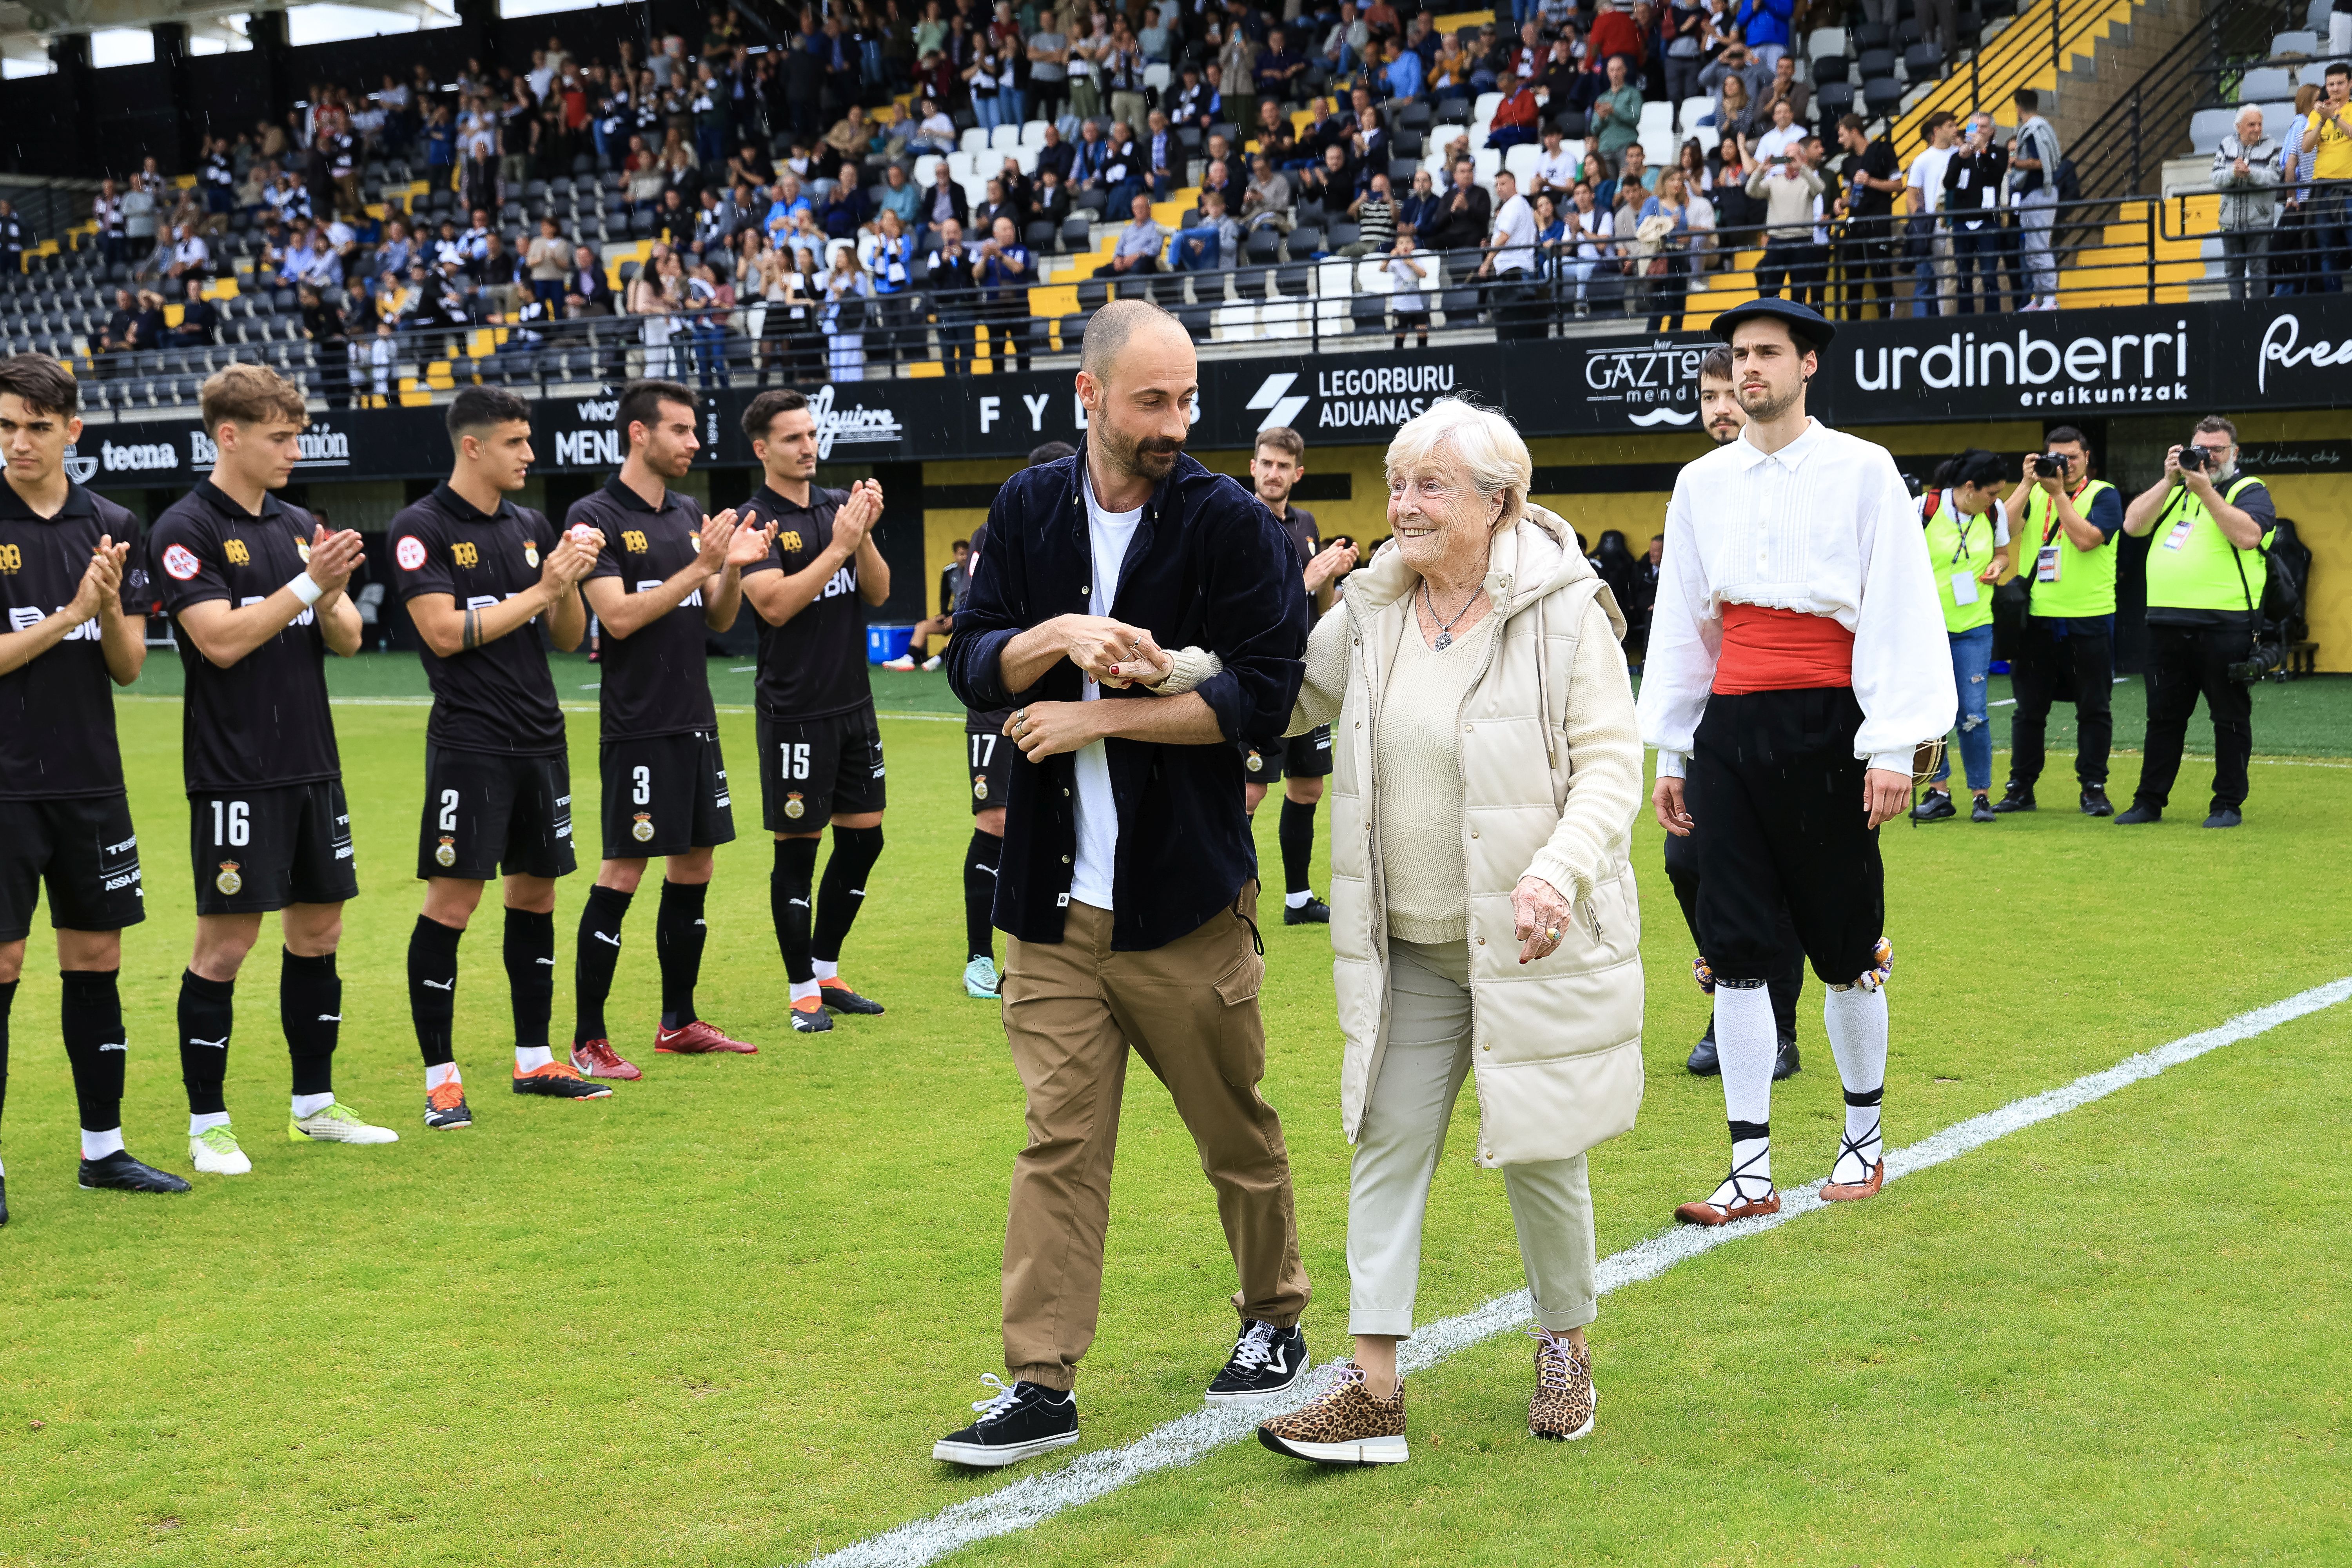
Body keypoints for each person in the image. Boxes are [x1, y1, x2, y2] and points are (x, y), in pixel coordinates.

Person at [936, 300, 1312, 1466]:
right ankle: (1040, 1381)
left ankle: (1273, 1316)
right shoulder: (1024, 506)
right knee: (1058, 1140)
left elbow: (1258, 695)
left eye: (1187, 398)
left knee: (1231, 1127)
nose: (1175, 421)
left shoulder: (1228, 523)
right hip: (1046, 914)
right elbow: (969, 661)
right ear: (1088, 397)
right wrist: (1057, 633)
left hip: (1182, 901)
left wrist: (1102, 710)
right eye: (1152, 399)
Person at [1249, 398, 1644, 1465]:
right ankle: (1373, 1388)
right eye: (1397, 481)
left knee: (1543, 1151)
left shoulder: (1565, 608)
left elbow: (1614, 766)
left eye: (1429, 485)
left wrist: (1557, 872)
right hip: (1410, 946)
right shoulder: (1374, 609)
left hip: (1530, 942)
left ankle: (1564, 1344)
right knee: (1386, 1140)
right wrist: (1176, 671)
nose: (1402, 505)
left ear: (1496, 502)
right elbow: (1282, 703)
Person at [1639, 298, 1953, 1227]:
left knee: (1848, 948)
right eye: (1737, 357)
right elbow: (1686, 621)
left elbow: (1898, 603)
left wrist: (1892, 743)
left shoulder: (1863, 470)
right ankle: (1749, 1167)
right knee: (1733, 951)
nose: (1749, 372)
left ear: (1807, 363)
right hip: (1730, 728)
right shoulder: (1701, 482)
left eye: (1766, 354)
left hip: (1828, 724)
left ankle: (1864, 1140)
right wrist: (1674, 744)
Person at [145, 364, 395, 1174]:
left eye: (297, 433)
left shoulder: (295, 521)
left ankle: (314, 1107)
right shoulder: (183, 527)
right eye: (280, 436)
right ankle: (207, 1123)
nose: (296, 448)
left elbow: (350, 637)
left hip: (311, 763)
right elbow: (218, 639)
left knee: (319, 931)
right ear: (230, 435)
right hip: (234, 770)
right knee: (226, 942)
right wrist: (307, 582)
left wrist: (330, 590)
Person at [390, 386, 609, 1130]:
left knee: (537, 896)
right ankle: (442, 1079)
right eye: (516, 442)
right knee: (454, 903)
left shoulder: (529, 523)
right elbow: (444, 632)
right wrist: (543, 584)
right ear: (473, 447)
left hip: (540, 736)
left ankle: (533, 1057)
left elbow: (567, 635)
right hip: (470, 742)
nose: (529, 454)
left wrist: (567, 584)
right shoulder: (419, 527)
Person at [0, 354, 186, 1214]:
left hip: (89, 783)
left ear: (74, 429)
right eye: (6, 426)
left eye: (38, 426)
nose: (19, 442)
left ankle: (103, 1150)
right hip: (5, 790)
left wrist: (106, 607)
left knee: (97, 960)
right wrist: (70, 613)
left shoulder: (112, 522)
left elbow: (127, 668)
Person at [565, 381, 771, 1080]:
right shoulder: (592, 516)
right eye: (680, 430)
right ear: (638, 434)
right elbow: (617, 618)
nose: (693, 443)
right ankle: (587, 1038)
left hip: (695, 720)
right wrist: (704, 564)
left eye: (693, 431)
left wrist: (732, 571)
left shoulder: (688, 511)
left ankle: (677, 1021)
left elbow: (716, 618)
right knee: (624, 869)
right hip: (639, 727)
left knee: (698, 864)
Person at [1662, 347, 1803, 1079]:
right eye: (1708, 395)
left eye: (1729, 391)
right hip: (1711, 716)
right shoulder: (1698, 489)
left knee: (1777, 874)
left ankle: (1774, 1026)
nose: (1720, 406)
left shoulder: (1809, 476)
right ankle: (1733, 993)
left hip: (1791, 709)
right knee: (1687, 860)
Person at [735, 390, 893, 1036]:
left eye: (811, 433)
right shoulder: (755, 521)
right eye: (793, 437)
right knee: (798, 852)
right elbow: (773, 605)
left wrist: (862, 538)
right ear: (762, 448)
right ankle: (801, 989)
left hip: (854, 704)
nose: (808, 446)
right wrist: (836, 547)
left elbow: (879, 592)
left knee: (866, 839)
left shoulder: (836, 507)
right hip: (795, 713)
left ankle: (826, 968)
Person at [956, 443, 1078, 1002]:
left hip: (1057, 702)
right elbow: (978, 623)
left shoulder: (1083, 528)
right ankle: (979, 955)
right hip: (994, 704)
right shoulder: (998, 531)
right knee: (997, 821)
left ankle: (1049, 940)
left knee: (1059, 816)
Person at [2116, 417, 2276, 829]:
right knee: (2163, 719)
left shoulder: (2249, 490)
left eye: (2217, 450)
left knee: (2230, 718)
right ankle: (2148, 801)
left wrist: (2206, 491)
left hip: (2226, 626)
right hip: (2166, 625)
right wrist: (2169, 479)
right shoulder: (2175, 491)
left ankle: (2227, 804)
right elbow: (2133, 525)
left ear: (2234, 453)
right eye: (2200, 448)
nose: (2207, 457)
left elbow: (2248, 536)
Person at [1239, 426, 1356, 924]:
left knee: (1307, 788)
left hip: (1307, 677)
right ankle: (1231, 897)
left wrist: (1339, 591)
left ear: (1297, 473)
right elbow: (1244, 608)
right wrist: (1308, 579)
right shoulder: (1238, 520)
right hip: (1259, 675)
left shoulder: (1305, 522)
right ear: (1253, 467)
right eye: (1266, 463)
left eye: (1283, 466)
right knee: (1249, 792)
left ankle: (1297, 899)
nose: (1273, 473)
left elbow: (1313, 608)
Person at [1989, 426, 2122, 818]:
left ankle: (2093, 788)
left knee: (2094, 709)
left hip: (2090, 618)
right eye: (2057, 457)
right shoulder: (2036, 494)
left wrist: (2060, 494)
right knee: (2029, 711)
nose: (2065, 464)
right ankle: (2021, 788)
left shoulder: (2104, 494)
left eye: (2072, 457)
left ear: (2086, 458)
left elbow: (2087, 539)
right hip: (2038, 622)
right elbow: (2004, 528)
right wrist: (2028, 483)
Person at [1908, 450, 2013, 824]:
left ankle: (1981, 796)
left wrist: (1997, 567)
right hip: (1927, 630)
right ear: (1970, 488)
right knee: (1932, 714)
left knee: (1974, 713)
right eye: (1992, 492)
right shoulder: (1924, 507)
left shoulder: (1994, 513)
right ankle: (1939, 793)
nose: (1996, 499)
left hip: (1975, 627)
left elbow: (2003, 554)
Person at [2213, 106, 2282, 303]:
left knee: (2259, 273)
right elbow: (2215, 178)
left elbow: (2275, 178)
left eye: (2260, 124)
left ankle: (2258, 315)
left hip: (2259, 221)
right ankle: (2238, 315)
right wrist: (2233, 174)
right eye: (2252, 125)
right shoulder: (2226, 145)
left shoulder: (2271, 146)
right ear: (2239, 127)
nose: (2257, 129)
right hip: (2229, 222)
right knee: (2233, 273)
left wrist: (2250, 174)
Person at [2008, 89, 2063, 311]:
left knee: (2039, 247)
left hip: (2040, 193)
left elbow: (2040, 163)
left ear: (2018, 107)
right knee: (2033, 250)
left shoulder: (2033, 130)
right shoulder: (2041, 127)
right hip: (2036, 194)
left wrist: (2013, 162)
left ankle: (2050, 298)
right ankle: (2040, 299)